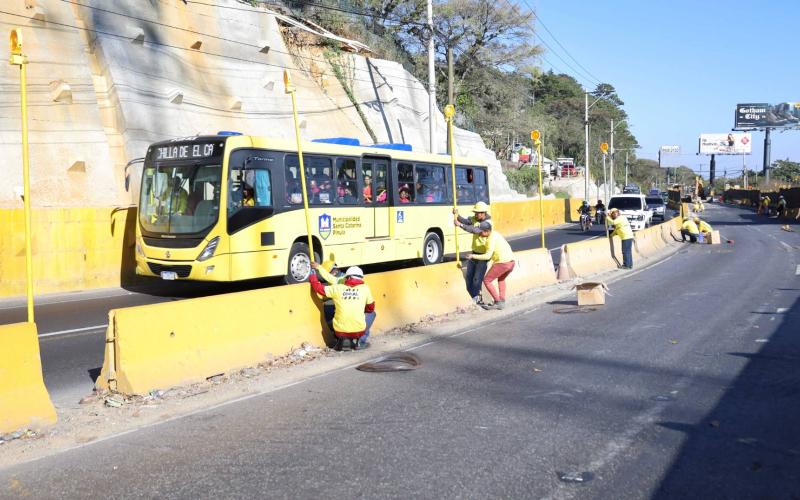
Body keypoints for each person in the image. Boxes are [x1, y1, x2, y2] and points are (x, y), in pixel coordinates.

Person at [309, 264, 376, 351]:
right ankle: (360, 342)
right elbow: (371, 308)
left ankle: (340, 340)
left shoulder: (338, 287)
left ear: (347, 277)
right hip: (358, 331)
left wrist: (313, 276)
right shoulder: (365, 288)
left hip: (339, 331)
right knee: (372, 313)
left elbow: (319, 289)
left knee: (334, 310)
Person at [470, 220, 515, 310]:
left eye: (481, 232)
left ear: (487, 231)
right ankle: (502, 301)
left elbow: (487, 256)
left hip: (502, 262)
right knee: (501, 279)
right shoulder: (495, 234)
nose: (479, 234)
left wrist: (473, 256)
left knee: (487, 280)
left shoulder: (490, 240)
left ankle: (497, 302)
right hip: (511, 262)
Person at [454, 201, 491, 305]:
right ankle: (473, 297)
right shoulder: (476, 218)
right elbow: (466, 221)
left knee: (477, 279)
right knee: (469, 277)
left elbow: (474, 230)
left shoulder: (487, 223)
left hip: (483, 256)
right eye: (475, 212)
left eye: (477, 213)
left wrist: (460, 225)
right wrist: (457, 214)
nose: (475, 214)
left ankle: (477, 298)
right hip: (474, 253)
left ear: (483, 213)